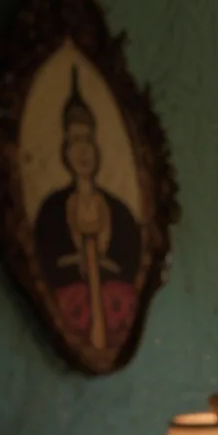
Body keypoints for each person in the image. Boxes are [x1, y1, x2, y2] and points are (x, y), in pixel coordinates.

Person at [34, 65, 141, 354]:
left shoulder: (119, 212)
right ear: (64, 150)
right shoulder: (53, 210)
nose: (83, 151)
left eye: (88, 141)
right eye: (74, 142)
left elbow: (131, 261)